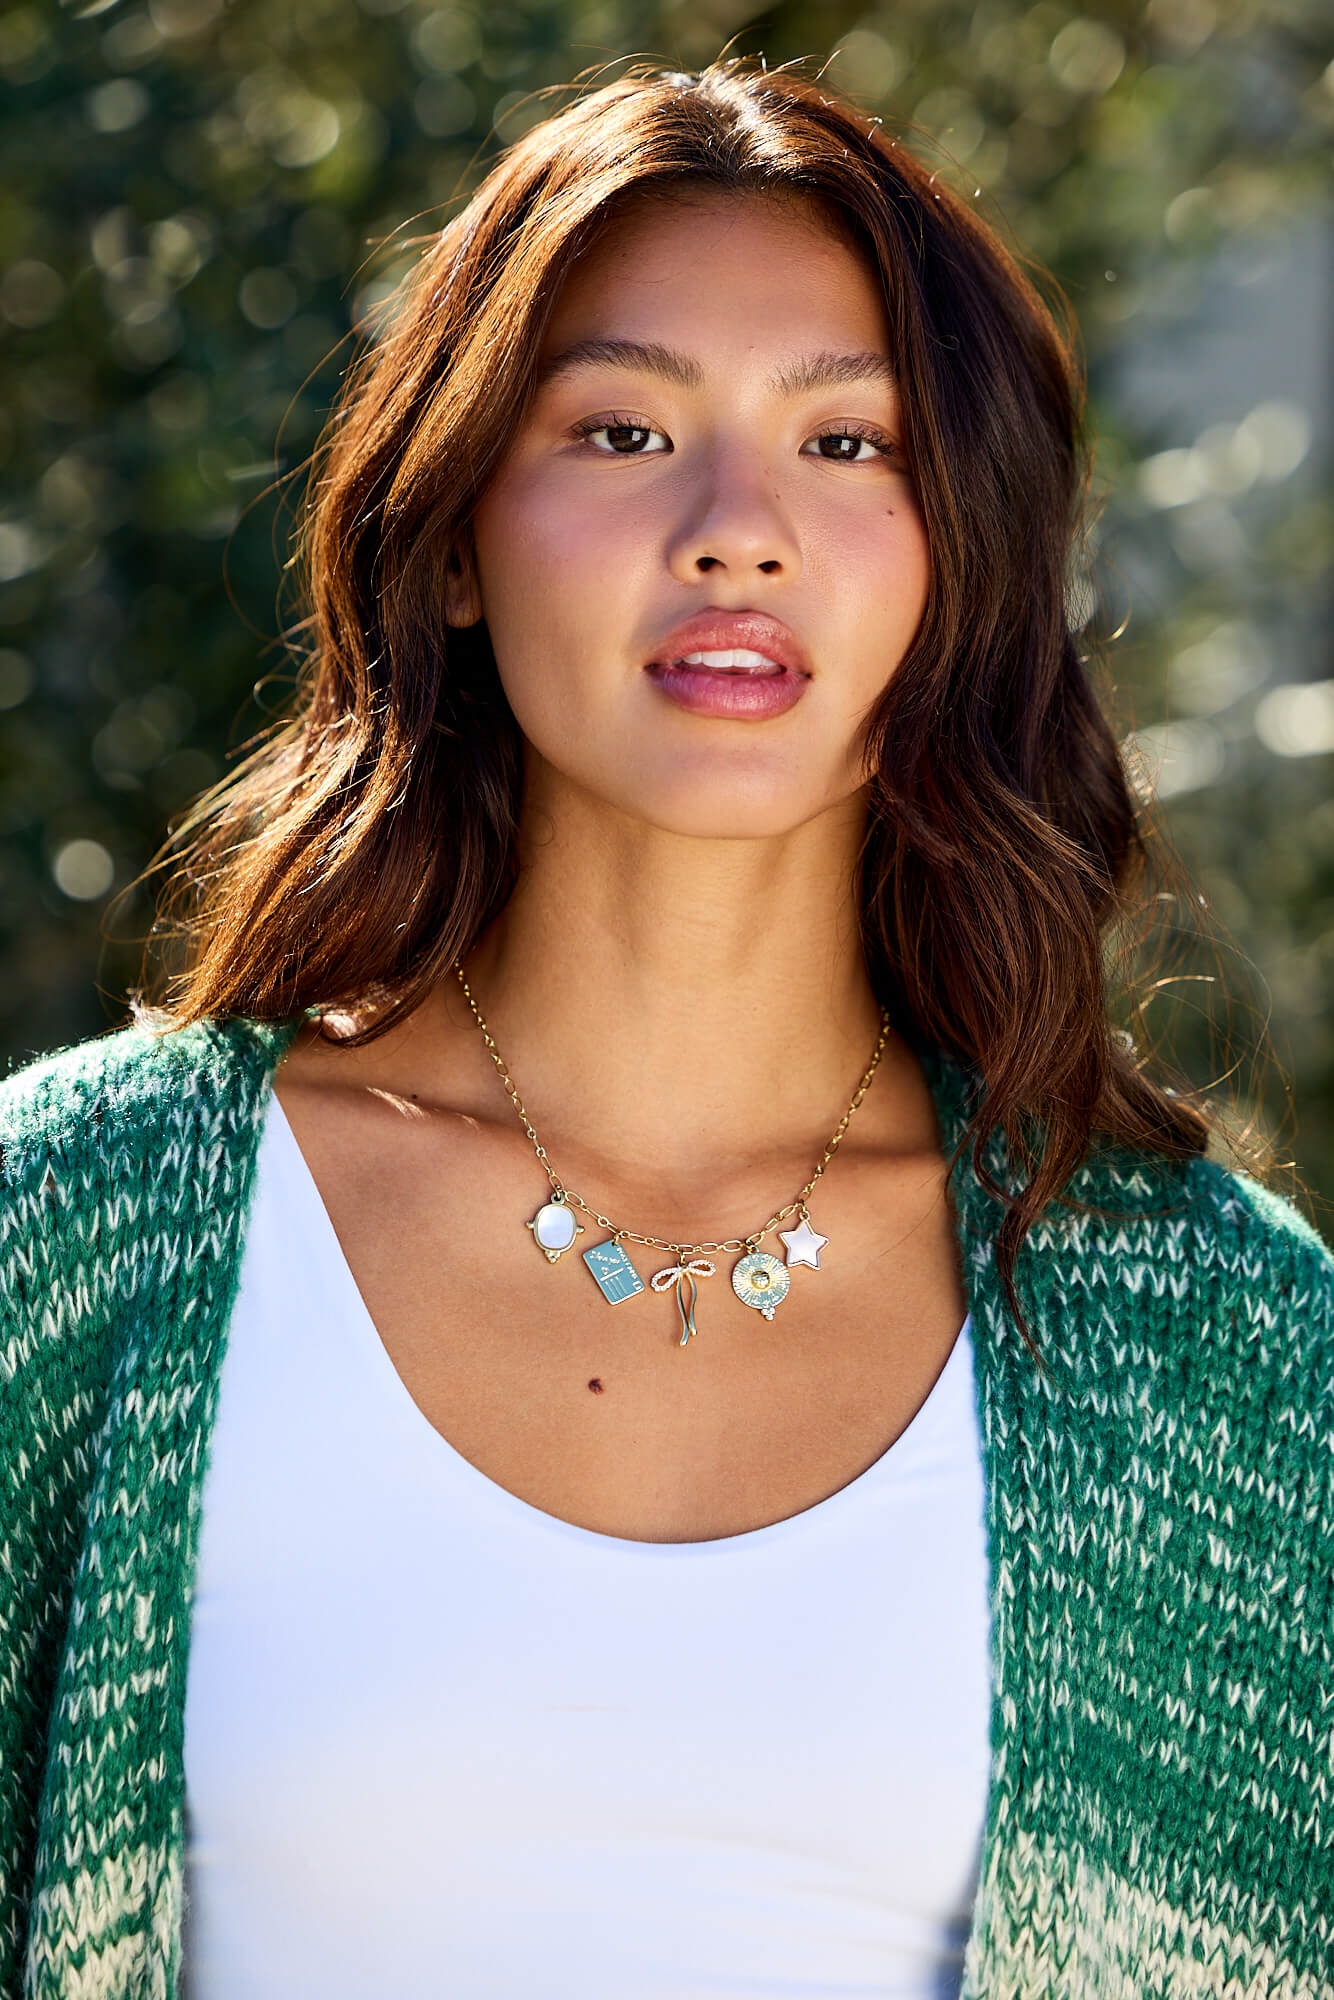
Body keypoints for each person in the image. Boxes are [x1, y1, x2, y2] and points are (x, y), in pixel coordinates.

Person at [2, 53, 1331, 2000]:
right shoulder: (81, 1236)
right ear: (452, 537)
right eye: (622, 434)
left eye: (848, 444)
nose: (736, 528)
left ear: (957, 558)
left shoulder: (1212, 1342)